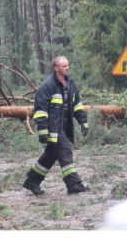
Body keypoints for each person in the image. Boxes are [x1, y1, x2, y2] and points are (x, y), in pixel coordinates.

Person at [23, 56, 89, 195]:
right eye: (64, 66)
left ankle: (32, 181)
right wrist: (43, 130)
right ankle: (74, 185)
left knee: (51, 155)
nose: (67, 68)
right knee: (65, 152)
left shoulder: (70, 83)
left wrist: (83, 121)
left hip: (65, 127)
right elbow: (40, 110)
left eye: (68, 65)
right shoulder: (47, 87)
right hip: (53, 129)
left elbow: (76, 105)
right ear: (56, 68)